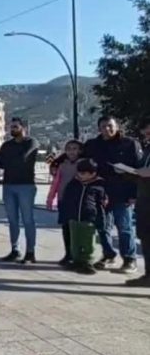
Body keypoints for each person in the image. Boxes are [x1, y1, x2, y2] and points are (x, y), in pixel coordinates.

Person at [83, 115, 142, 273]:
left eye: (110, 125)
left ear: (117, 126)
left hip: (123, 192)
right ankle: (108, 255)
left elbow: (138, 169)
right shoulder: (93, 145)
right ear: (98, 128)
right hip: (101, 193)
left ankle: (130, 259)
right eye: (103, 126)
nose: (106, 129)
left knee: (124, 227)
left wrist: (134, 194)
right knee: (103, 227)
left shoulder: (129, 144)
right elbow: (80, 158)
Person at [0, 118, 39, 264]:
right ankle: (15, 249)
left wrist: (12, 160)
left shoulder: (31, 142)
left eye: (15, 127)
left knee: (28, 220)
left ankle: (30, 252)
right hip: (8, 185)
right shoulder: (6, 145)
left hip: (26, 185)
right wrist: (13, 160)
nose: (12, 129)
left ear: (23, 127)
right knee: (12, 220)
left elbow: (23, 158)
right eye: (10, 127)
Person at [58, 158, 107, 275]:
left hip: (89, 218)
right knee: (75, 240)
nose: (80, 175)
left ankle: (87, 261)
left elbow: (102, 204)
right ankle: (76, 260)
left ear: (93, 174)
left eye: (84, 173)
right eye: (79, 172)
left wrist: (101, 220)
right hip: (74, 218)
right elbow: (66, 199)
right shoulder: (74, 183)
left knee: (87, 241)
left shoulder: (99, 185)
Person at [46, 140, 83, 267]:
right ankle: (68, 254)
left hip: (78, 201)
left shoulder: (83, 164)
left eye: (75, 148)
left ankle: (79, 255)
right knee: (66, 228)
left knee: (77, 229)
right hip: (63, 200)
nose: (72, 151)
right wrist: (50, 199)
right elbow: (56, 183)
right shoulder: (62, 165)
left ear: (80, 151)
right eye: (69, 149)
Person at [126, 120, 150, 286]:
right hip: (144, 199)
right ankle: (148, 276)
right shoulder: (147, 149)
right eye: (146, 133)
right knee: (145, 236)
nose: (147, 136)